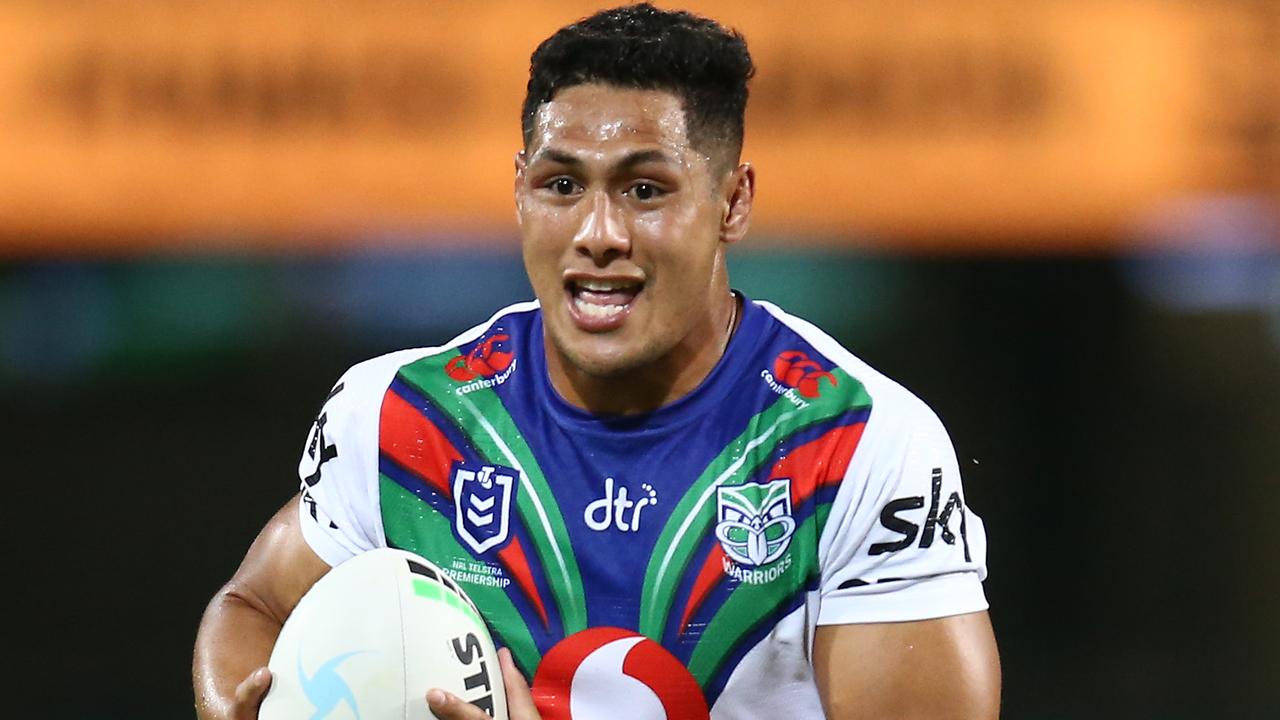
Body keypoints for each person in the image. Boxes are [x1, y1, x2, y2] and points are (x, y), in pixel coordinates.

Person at [192, 4, 1000, 719]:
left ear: (733, 202)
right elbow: (254, 604)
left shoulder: (858, 444)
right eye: (562, 185)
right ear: (518, 191)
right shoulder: (405, 421)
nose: (598, 232)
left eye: (645, 190)